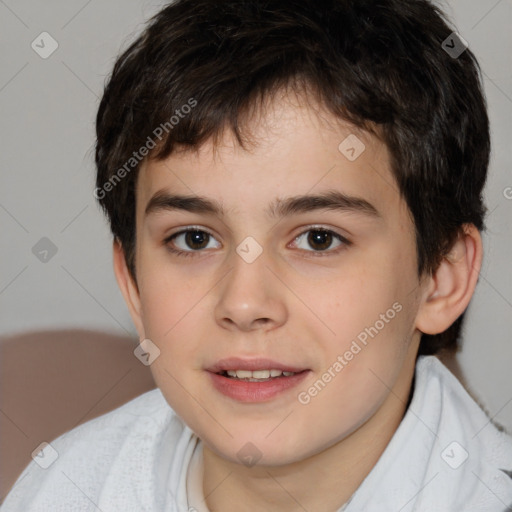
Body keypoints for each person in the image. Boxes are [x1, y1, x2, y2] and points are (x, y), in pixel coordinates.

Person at [2, 0, 512, 510]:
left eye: (318, 239)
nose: (244, 304)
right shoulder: (62, 490)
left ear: (442, 277)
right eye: (194, 239)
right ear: (133, 284)